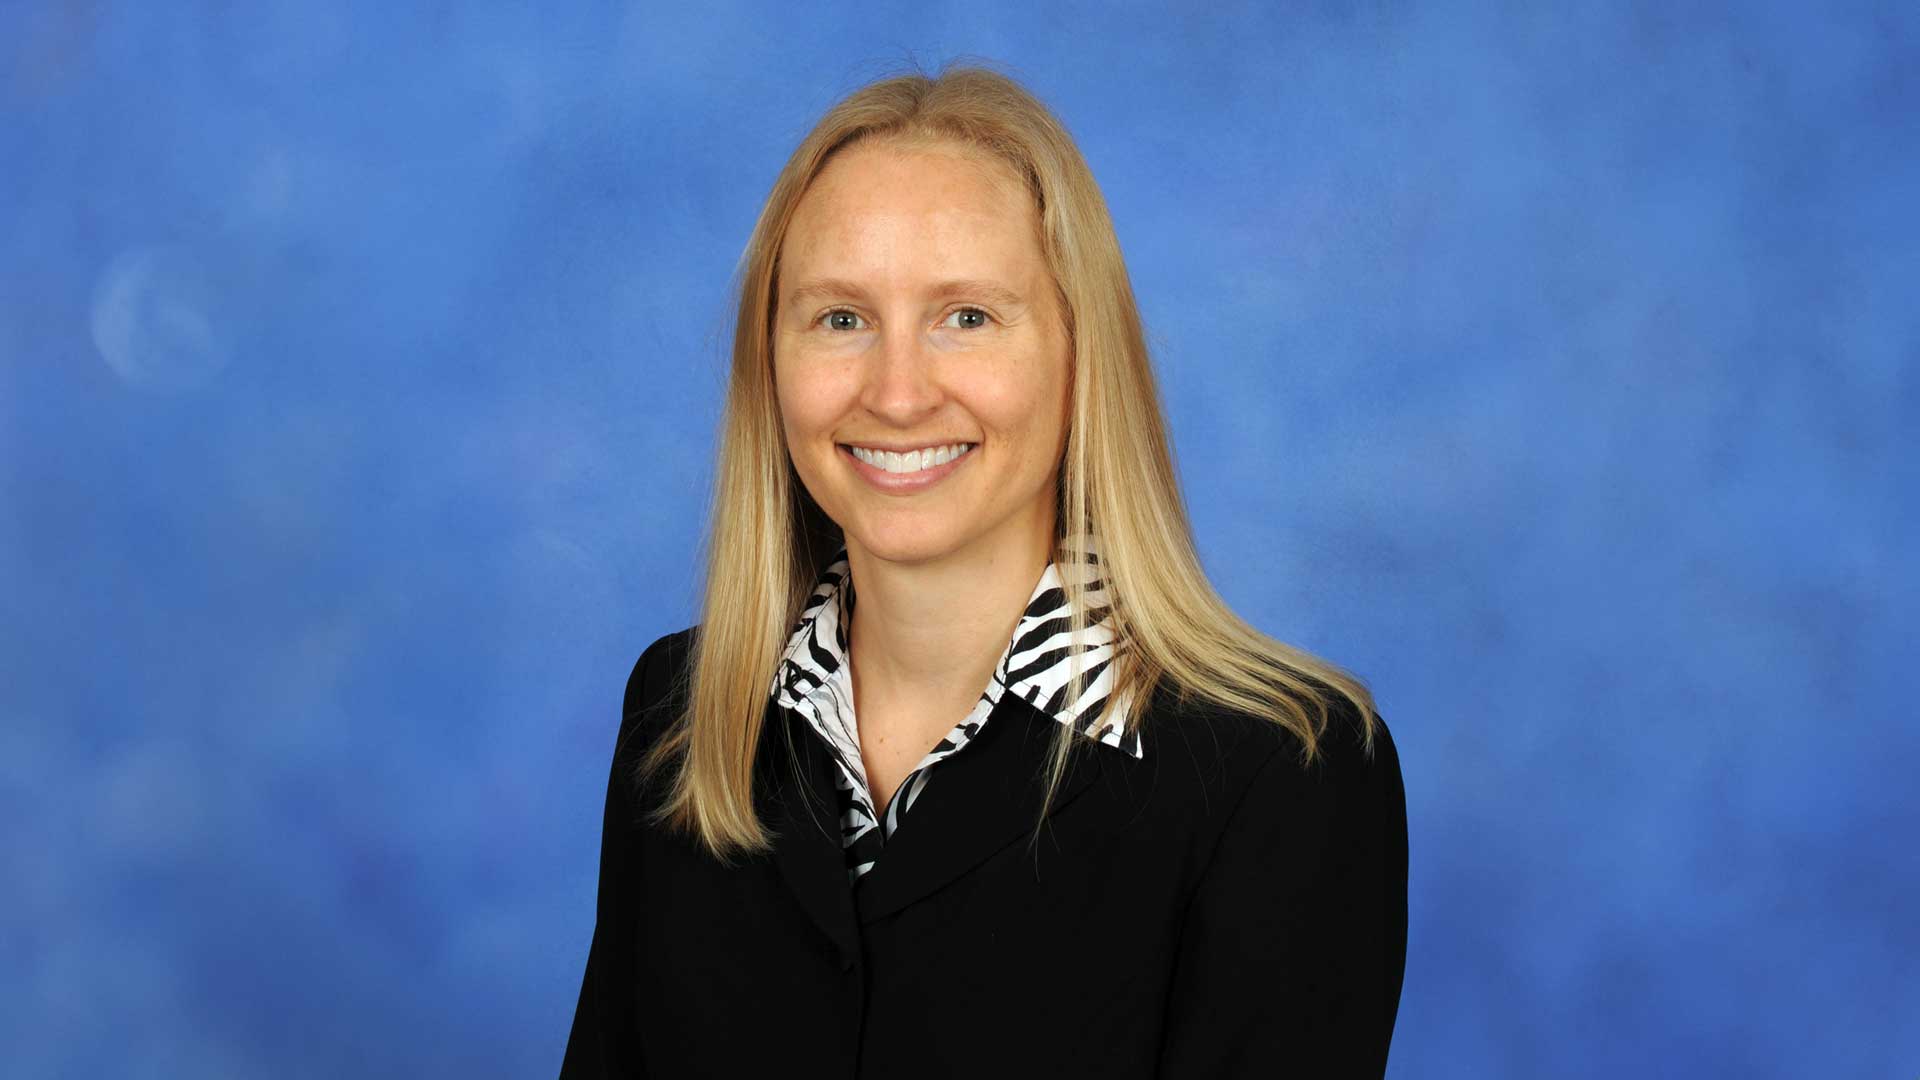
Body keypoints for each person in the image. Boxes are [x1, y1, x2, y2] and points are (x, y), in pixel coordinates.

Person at [560, 62, 1407, 1078]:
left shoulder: (1285, 777)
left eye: (967, 316)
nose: (898, 393)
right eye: (841, 318)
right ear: (768, 363)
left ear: (1079, 356)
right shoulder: (686, 713)